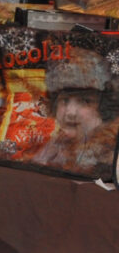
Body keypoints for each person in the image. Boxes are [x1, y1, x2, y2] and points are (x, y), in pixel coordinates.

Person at [33, 48, 119, 176]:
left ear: (103, 108)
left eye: (85, 101)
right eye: (64, 100)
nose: (70, 112)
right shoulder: (57, 144)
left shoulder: (110, 152)